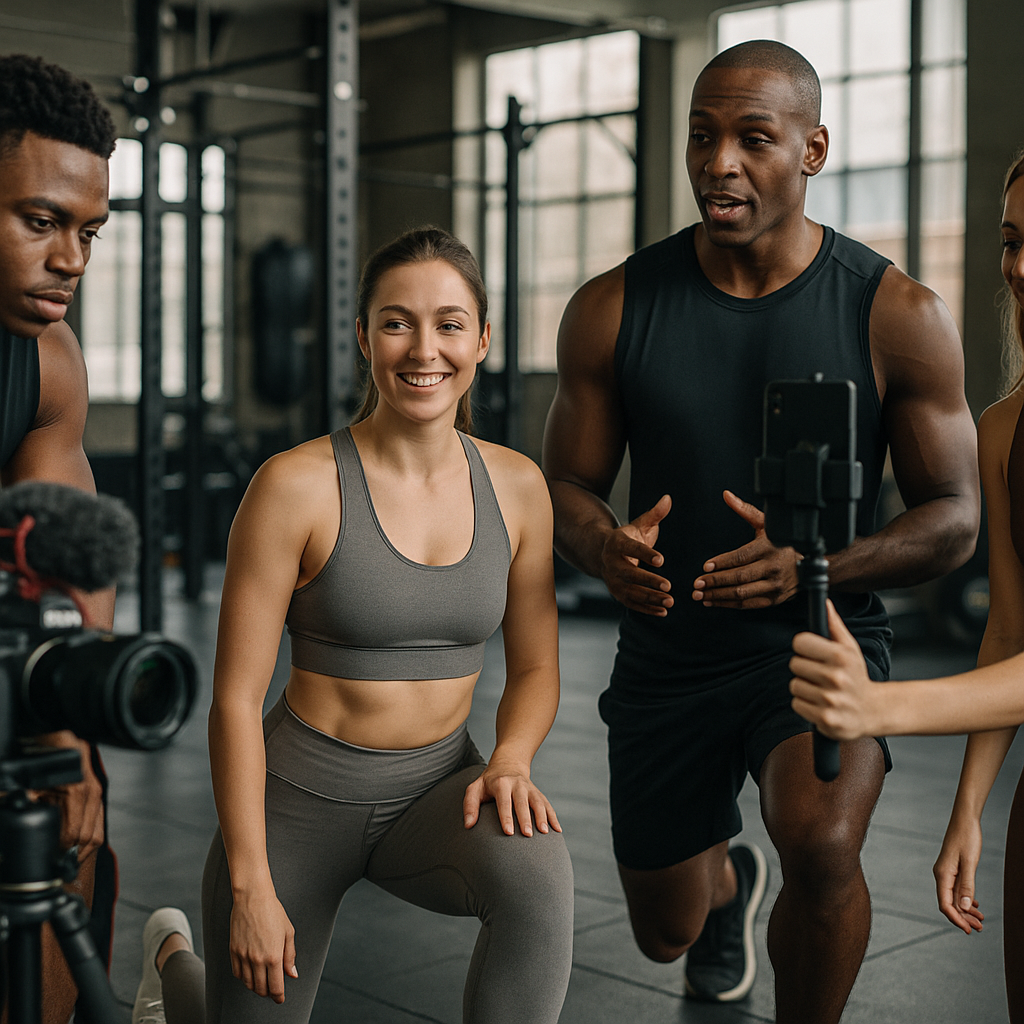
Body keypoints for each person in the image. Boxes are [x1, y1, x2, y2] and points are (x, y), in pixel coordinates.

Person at [542, 38, 980, 1023]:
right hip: (668, 655)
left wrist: (814, 567)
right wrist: (603, 545)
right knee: (667, 927)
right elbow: (563, 484)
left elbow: (952, 520)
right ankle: (726, 886)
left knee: (822, 846)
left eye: (752, 138)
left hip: (819, 641)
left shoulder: (896, 312)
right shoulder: (613, 306)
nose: (718, 162)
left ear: (813, 148)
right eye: (702, 137)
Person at [131, 227, 574, 1024]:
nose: (423, 349)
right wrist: (248, 885)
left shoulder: (518, 487)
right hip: (296, 802)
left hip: (442, 789)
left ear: (482, 338)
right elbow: (234, 700)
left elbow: (537, 669)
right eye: (397, 322)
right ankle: (175, 976)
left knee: (539, 877)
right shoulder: (293, 486)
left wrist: (509, 758)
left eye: (448, 323)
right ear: (364, 337)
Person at [790, 149, 1024, 1023]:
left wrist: (880, 710)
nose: (1020, 266)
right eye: (1011, 240)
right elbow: (1009, 632)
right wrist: (969, 809)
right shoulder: (1002, 428)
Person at [0, 53, 118, 1024]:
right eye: (40, 222)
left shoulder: (46, 357)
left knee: (65, 808)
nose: (71, 259)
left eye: (87, 231)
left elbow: (71, 549)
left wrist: (66, 729)